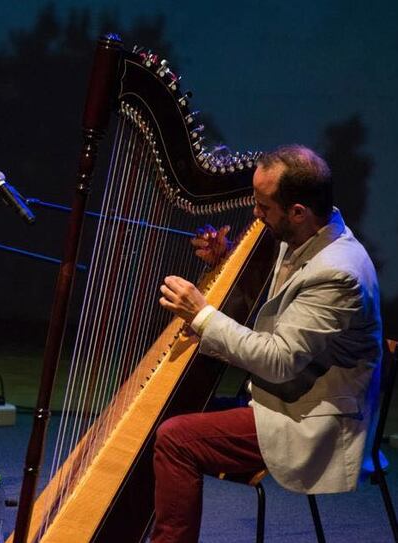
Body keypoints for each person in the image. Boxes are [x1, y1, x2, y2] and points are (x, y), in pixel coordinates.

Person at [154, 145, 382, 542]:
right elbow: (277, 311)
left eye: (263, 206)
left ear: (298, 211)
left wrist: (202, 314)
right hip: (283, 397)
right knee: (166, 411)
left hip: (311, 419)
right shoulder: (306, 236)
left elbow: (278, 360)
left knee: (176, 439)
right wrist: (223, 262)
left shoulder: (338, 274)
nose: (255, 214)